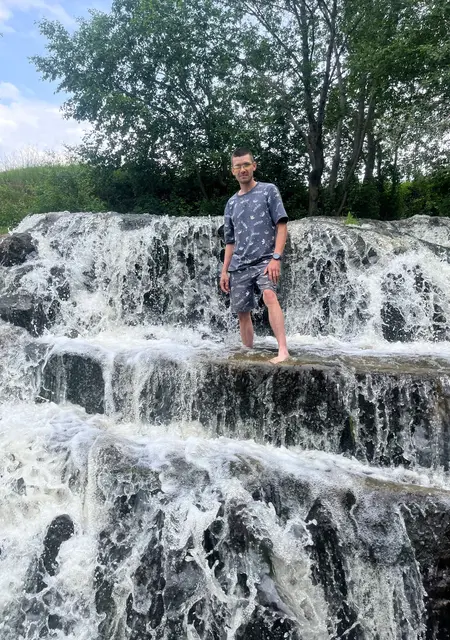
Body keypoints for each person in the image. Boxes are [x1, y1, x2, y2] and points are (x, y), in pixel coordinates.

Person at [220, 147, 290, 363]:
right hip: (239, 264)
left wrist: (276, 258)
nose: (242, 169)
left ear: (254, 166)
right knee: (242, 312)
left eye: (246, 165)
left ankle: (283, 351)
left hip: (265, 260)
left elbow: (281, 225)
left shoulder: (268, 190)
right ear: (233, 170)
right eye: (238, 166)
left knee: (269, 296)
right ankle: (248, 351)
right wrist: (224, 271)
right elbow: (230, 242)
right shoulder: (231, 203)